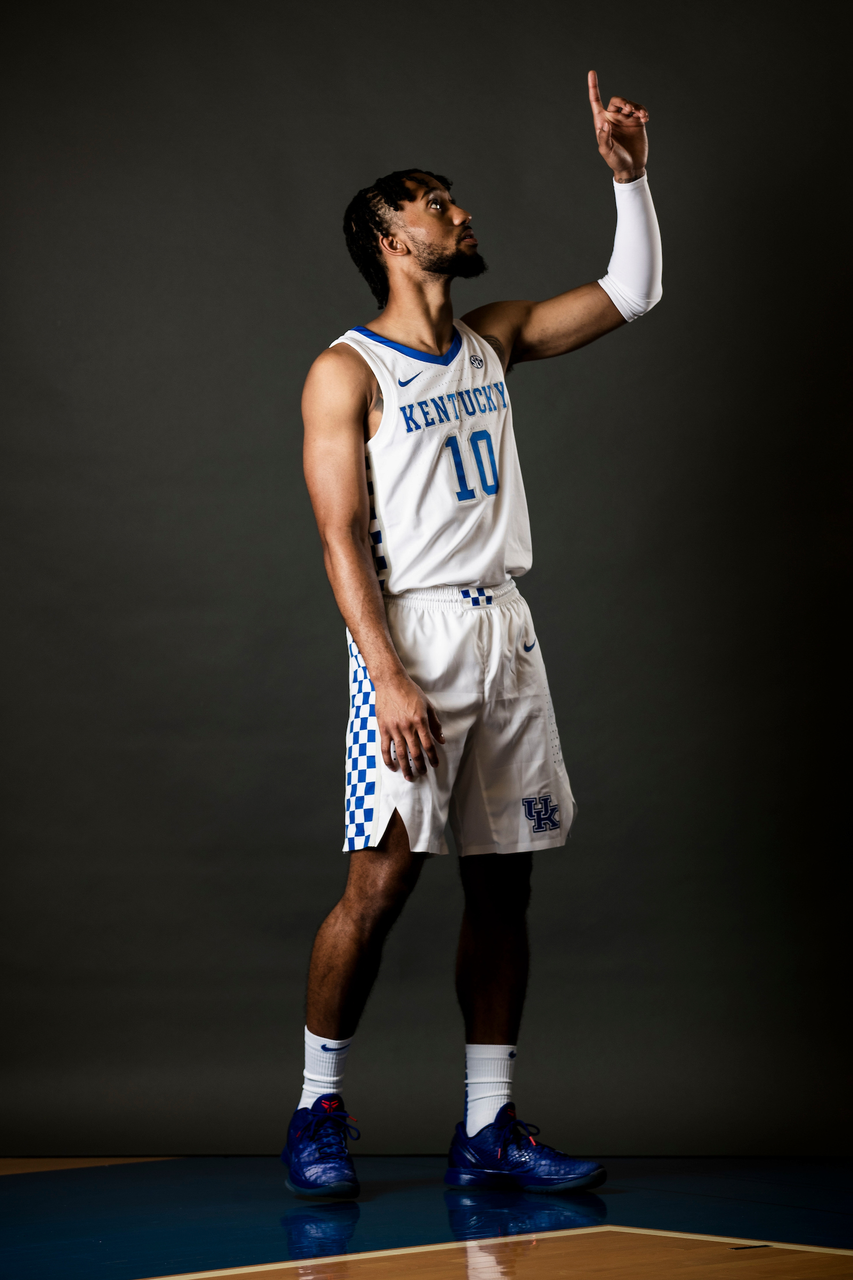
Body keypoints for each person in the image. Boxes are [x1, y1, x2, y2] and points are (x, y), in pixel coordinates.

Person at [282, 70, 662, 1199]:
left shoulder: (492, 339)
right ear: (390, 237)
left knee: (504, 890)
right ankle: (317, 1106)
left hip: (506, 635)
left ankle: (487, 1129)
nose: (458, 210)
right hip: (413, 640)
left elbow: (631, 293)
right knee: (380, 888)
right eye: (434, 201)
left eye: (452, 196)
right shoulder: (345, 370)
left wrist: (628, 180)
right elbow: (341, 539)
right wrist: (385, 674)